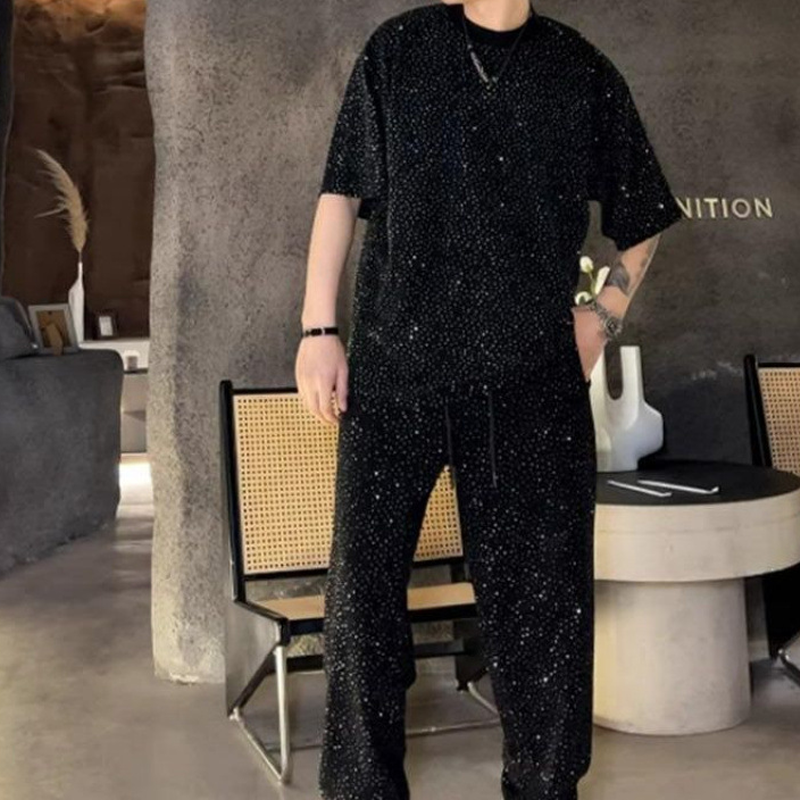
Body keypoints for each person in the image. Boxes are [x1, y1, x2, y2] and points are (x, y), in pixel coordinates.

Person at [297, 1, 683, 798]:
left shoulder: (579, 70)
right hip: (396, 370)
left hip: (531, 381)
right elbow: (341, 192)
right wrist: (319, 329)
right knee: (363, 602)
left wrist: (602, 316)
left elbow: (644, 213)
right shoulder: (399, 50)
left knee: (546, 617)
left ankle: (543, 787)